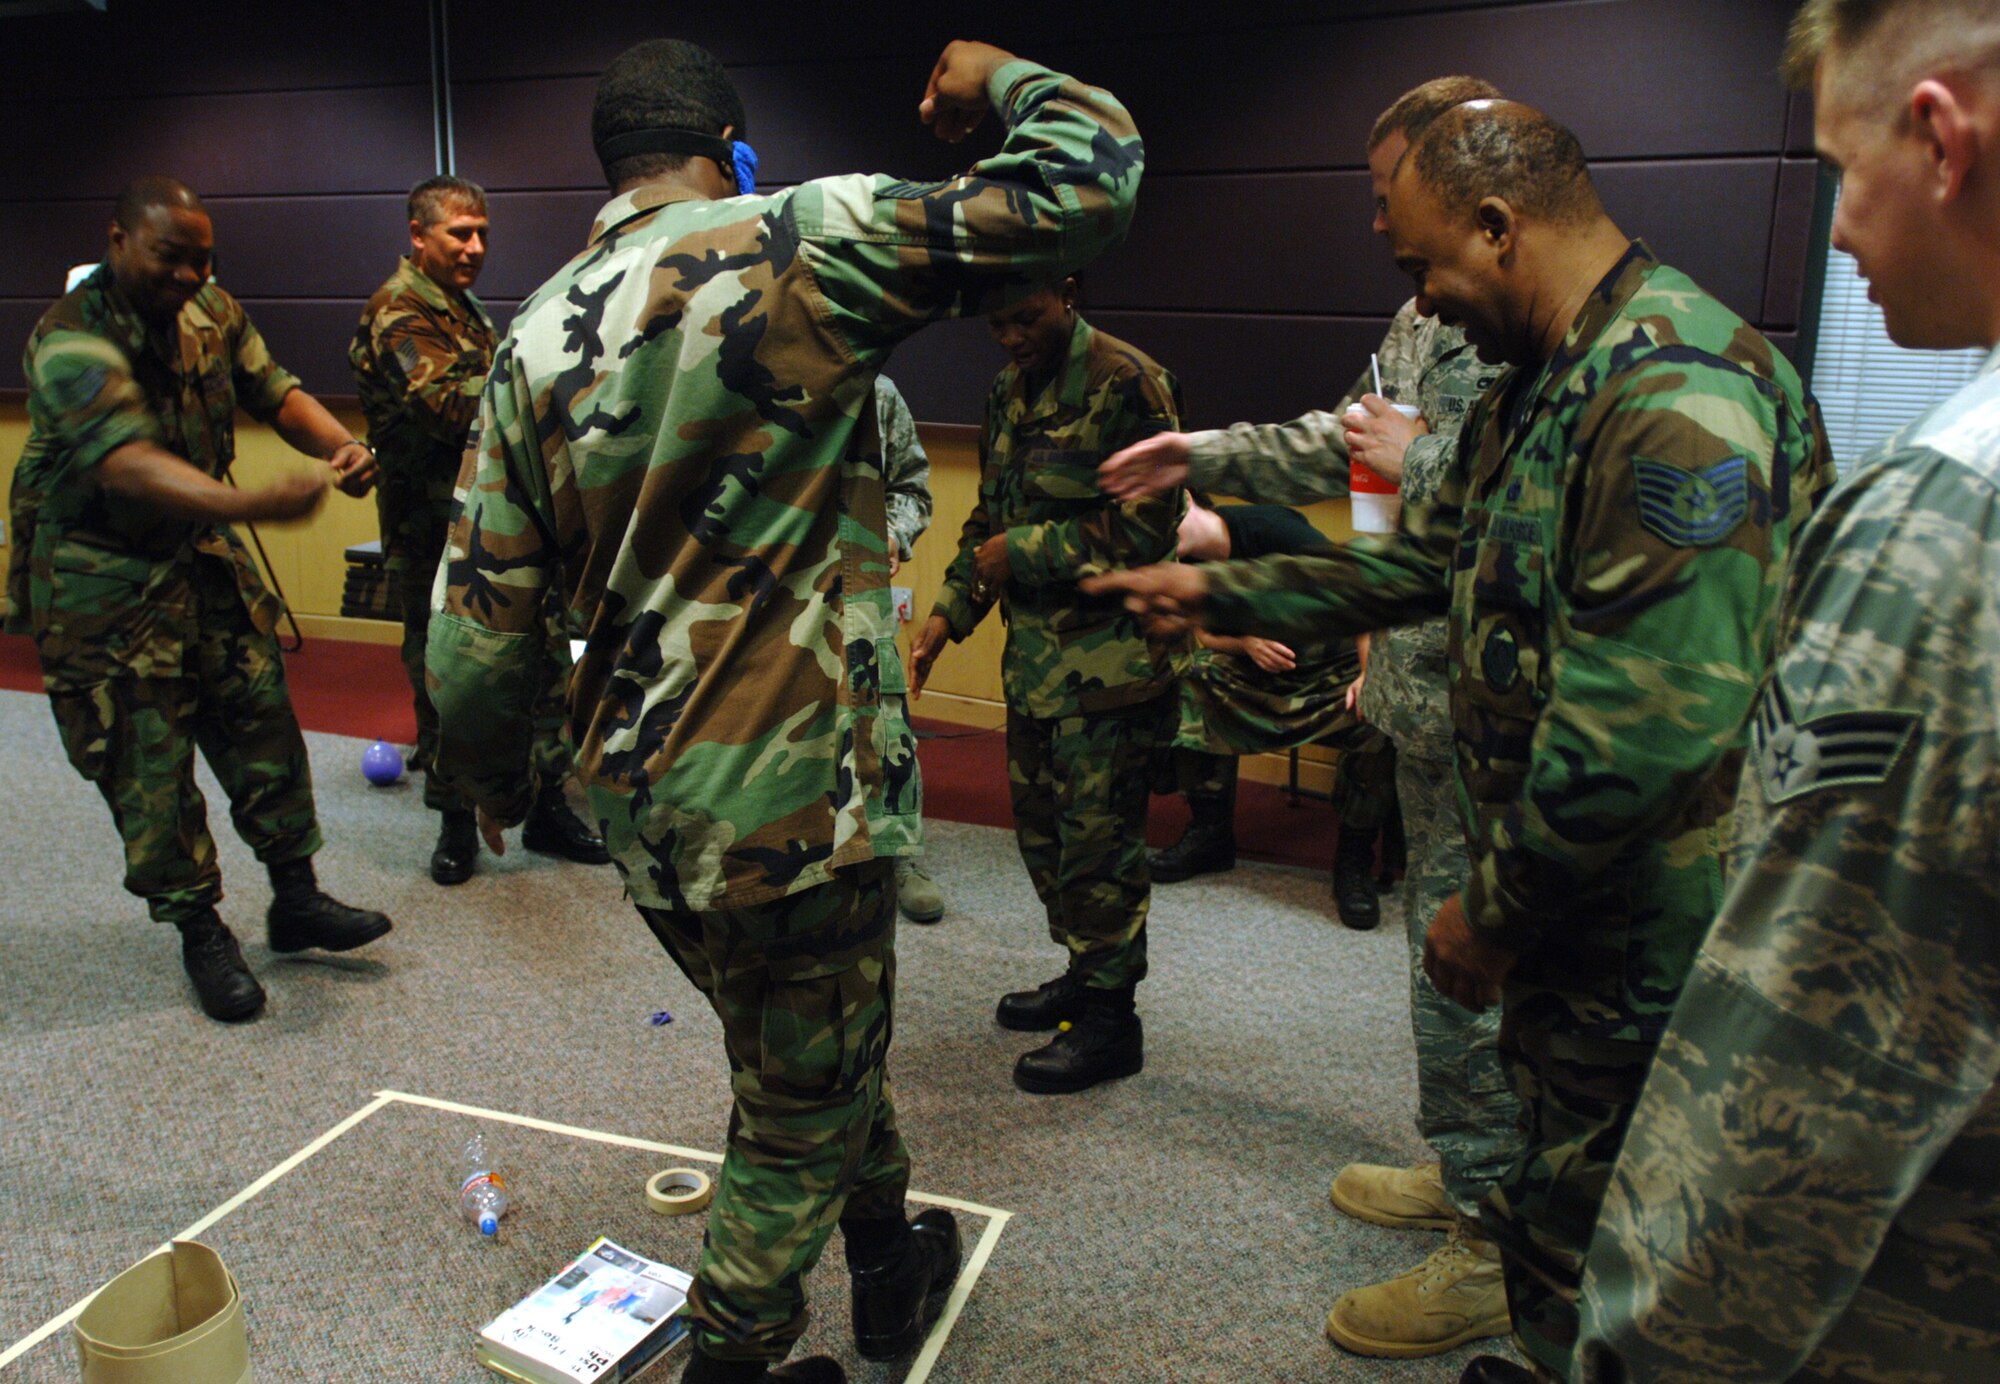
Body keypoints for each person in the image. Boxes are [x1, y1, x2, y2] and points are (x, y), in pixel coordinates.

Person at [425, 38, 1145, 1384]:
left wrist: (498, 787)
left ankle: (884, 1263)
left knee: (801, 1044)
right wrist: (998, 81)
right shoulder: (796, 240)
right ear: (733, 146)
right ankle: (737, 1356)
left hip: (639, 800)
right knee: (797, 1097)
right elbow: (1091, 177)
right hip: (796, 793)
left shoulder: (526, 334)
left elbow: (472, 647)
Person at [1086, 100, 1835, 1383]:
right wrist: (1223, 597)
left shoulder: (1672, 397)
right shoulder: (1541, 384)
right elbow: (1423, 564)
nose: (1420, 309)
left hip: (1657, 911)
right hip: (1581, 899)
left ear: (1497, 228)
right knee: (1557, 1155)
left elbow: (1647, 731)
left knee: (1630, 1201)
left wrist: (1491, 910)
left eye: (1422, 268)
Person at [1574, 3, 2000, 1379]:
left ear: (1940, 139)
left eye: (1837, 167)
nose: (1835, 232)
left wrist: (1643, 1352)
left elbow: (1812, 1060)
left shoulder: (1947, 526)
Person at [1100, 77, 1520, 1359]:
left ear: (1474, 193)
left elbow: (1526, 497)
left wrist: (1419, 462)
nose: (1382, 228)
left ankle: (1508, 1239)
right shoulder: (1426, 312)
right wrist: (1203, 456)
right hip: (1429, 690)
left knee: (1509, 975)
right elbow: (1348, 441)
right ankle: (1469, 1171)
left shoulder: (1565, 335)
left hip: (1515, 718)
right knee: (1440, 966)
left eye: (1394, 196)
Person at [4, 176, 394, 1023]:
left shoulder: (210, 311)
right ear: (118, 241)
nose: (187, 275)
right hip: (100, 588)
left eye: (201, 258)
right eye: (168, 257)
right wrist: (252, 503)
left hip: (199, 566)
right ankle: (199, 931)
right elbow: (126, 463)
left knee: (260, 722)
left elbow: (274, 390)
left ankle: (296, 898)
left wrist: (343, 446)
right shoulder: (69, 338)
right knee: (149, 772)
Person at [909, 276, 1182, 1095]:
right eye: (997, 325)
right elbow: (987, 519)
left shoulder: (1130, 382)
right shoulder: (1006, 392)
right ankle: (1084, 973)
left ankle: (1112, 1021)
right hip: (1034, 669)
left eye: (1025, 319)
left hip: (1110, 672)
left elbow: (1150, 526)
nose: (1012, 338)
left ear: (1067, 292)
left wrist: (1022, 554)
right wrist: (948, 613)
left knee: (1101, 852)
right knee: (1049, 843)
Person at [350, 175, 607, 885]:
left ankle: (550, 805)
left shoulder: (460, 309)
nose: (474, 247)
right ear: (417, 234)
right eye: (459, 233)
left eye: (482, 233)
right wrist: (557, 392)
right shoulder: (398, 311)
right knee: (447, 678)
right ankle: (456, 820)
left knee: (544, 657)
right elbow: (448, 405)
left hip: (495, 527)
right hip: (434, 537)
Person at [1151, 495, 1399, 937]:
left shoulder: (1268, 527)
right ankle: (1210, 834)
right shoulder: (1183, 563)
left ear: (1186, 501)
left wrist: (1368, 675)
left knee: (1375, 712)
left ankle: (1354, 860)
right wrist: (1245, 643)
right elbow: (1205, 635)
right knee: (1196, 677)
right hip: (1265, 673)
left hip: (1333, 669)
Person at [875, 374, 945, 924]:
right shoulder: (742, 374)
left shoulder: (873, 391)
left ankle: (900, 851)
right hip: (762, 588)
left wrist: (894, 531)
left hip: (854, 579)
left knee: (885, 719)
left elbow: (910, 487)